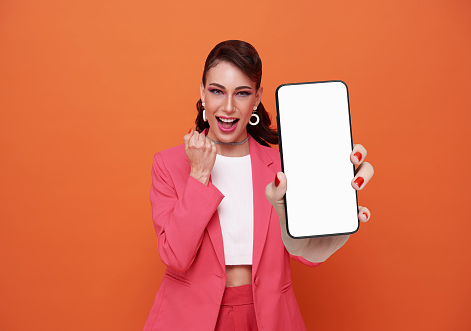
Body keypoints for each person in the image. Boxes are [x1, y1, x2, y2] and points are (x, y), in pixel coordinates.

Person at [143, 40, 374, 331]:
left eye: (242, 93)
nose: (228, 107)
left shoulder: (282, 166)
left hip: (269, 318)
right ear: (202, 92)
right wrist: (199, 174)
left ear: (257, 98)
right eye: (217, 91)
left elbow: (307, 254)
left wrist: (331, 213)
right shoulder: (169, 164)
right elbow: (175, 256)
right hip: (189, 318)